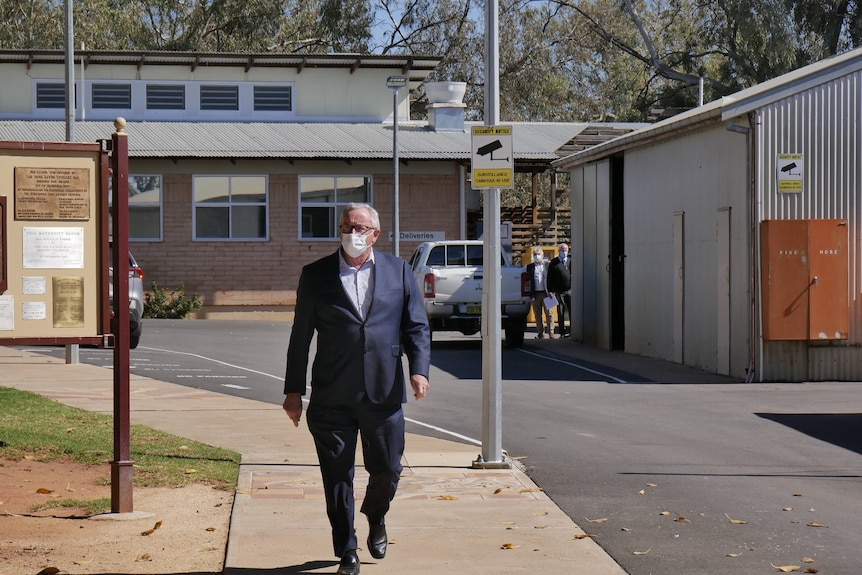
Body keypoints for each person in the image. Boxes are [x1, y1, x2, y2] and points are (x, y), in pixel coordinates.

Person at [283, 203, 431, 575]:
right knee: (337, 476)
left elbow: (416, 327)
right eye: (348, 226)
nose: (354, 233)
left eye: (361, 227)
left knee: (388, 469)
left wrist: (419, 370)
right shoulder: (316, 275)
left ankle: (376, 515)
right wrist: (293, 391)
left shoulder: (398, 271)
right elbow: (301, 336)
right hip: (332, 394)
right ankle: (347, 550)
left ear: (375, 234)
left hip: (383, 391)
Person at [525, 246, 556, 339]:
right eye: (535, 254)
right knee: (537, 314)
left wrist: (552, 291)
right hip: (535, 293)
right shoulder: (530, 267)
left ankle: (551, 332)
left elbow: (551, 279)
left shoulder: (547, 265)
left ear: (542, 255)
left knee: (549, 313)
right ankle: (540, 332)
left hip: (547, 293)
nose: (536, 256)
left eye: (538, 254)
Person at [547, 243, 572, 337]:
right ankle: (562, 331)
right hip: (559, 291)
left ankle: (572, 331)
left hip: (570, 290)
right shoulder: (554, 263)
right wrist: (550, 290)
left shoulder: (570, 261)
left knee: (571, 311)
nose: (564, 252)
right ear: (559, 251)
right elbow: (549, 278)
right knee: (560, 311)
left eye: (566, 250)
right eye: (563, 250)